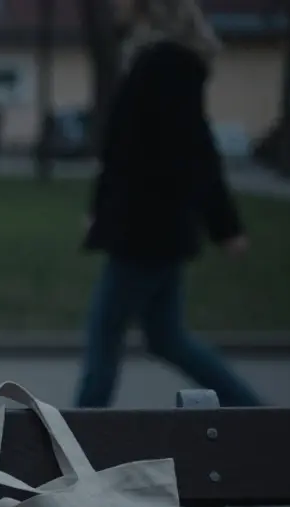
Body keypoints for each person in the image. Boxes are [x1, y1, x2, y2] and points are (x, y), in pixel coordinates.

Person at [76, 0, 263, 408]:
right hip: (151, 225)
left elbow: (195, 152)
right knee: (166, 337)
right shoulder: (156, 61)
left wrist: (225, 226)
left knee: (105, 330)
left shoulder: (166, 65)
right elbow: (124, 149)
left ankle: (79, 430)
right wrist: (98, 207)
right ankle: (253, 412)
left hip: (147, 228)